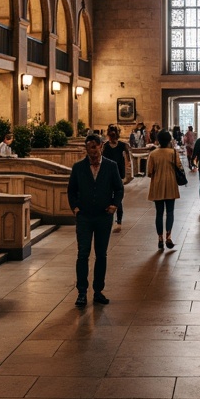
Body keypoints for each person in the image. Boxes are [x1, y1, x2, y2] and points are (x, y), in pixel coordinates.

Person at [68, 134, 124, 307]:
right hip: (84, 217)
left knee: (101, 254)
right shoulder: (78, 167)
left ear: (101, 146)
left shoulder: (110, 166)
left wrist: (114, 205)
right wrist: (75, 208)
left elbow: (119, 189)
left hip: (103, 216)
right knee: (83, 253)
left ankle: (98, 290)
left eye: (94, 147)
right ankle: (82, 292)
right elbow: (71, 190)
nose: (91, 151)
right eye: (88, 147)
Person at [147, 128, 182, 250]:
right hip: (171, 184)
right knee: (170, 212)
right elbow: (180, 167)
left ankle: (160, 239)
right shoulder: (173, 153)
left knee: (159, 213)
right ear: (169, 140)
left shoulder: (153, 154)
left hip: (157, 185)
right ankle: (168, 236)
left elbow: (149, 172)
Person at [102, 125, 132, 231]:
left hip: (108, 175)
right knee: (118, 198)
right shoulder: (123, 145)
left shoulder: (105, 146)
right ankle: (118, 222)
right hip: (118, 174)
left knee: (108, 197)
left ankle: (110, 221)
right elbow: (128, 160)